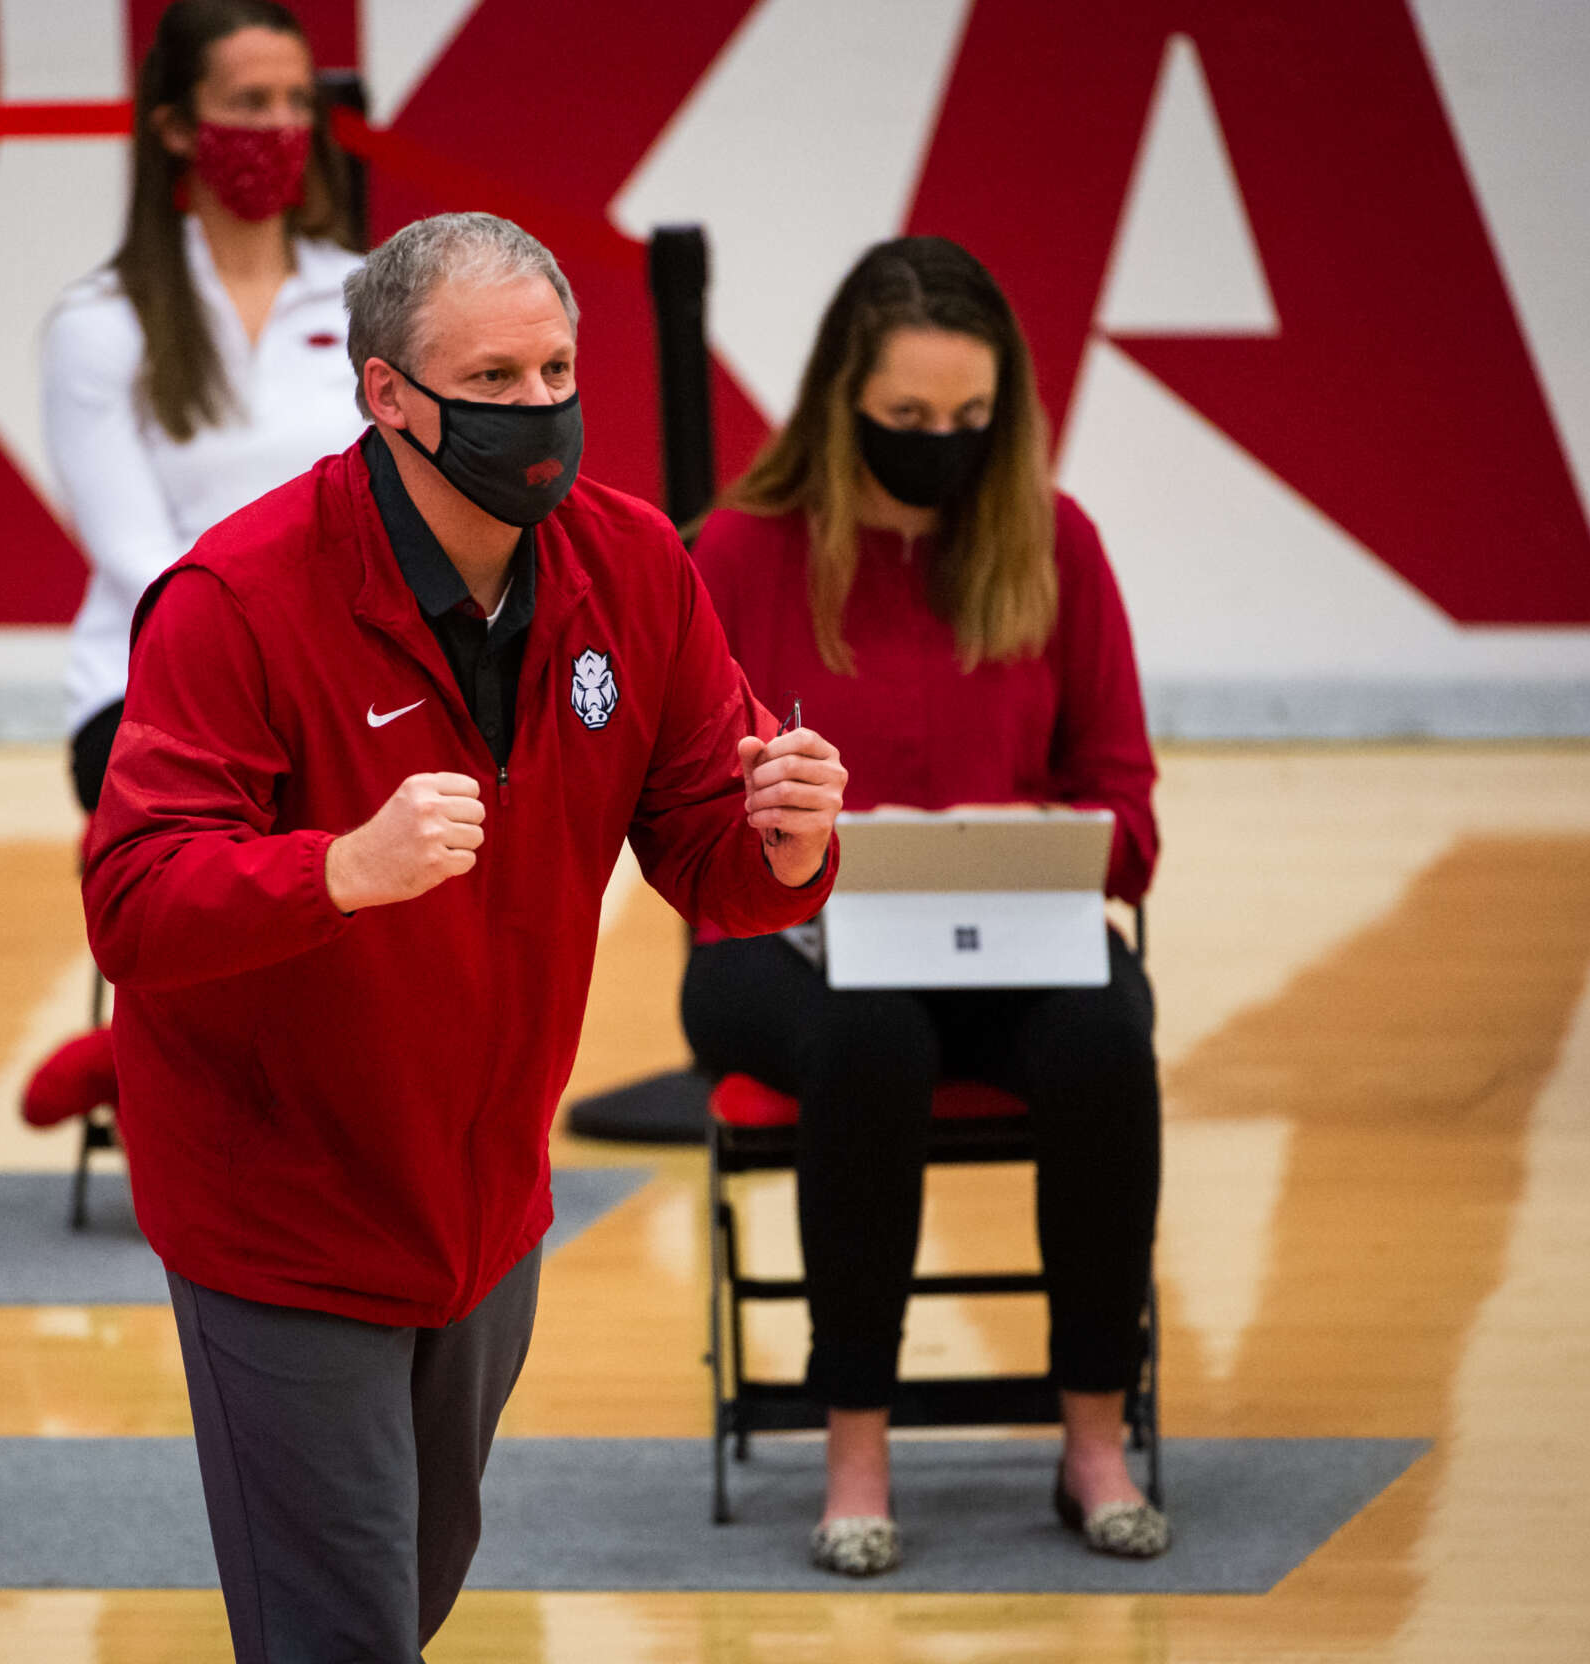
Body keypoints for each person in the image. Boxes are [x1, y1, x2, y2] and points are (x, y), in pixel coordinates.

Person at [84, 212, 849, 1661]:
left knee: (407, 1599)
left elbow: (710, 857)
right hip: (281, 1213)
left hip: (485, 1206)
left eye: (556, 369)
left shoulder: (634, 569)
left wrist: (791, 843)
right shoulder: (236, 601)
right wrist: (337, 873)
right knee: (344, 1635)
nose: (537, 410)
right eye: (491, 380)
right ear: (387, 395)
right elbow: (132, 902)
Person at [683, 236, 1169, 1574]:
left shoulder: (1053, 541)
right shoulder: (738, 551)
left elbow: (1126, 802)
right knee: (872, 1037)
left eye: (969, 420)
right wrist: (786, 845)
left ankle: (1093, 1435)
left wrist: (1053, 841)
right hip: (778, 941)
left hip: (1011, 933)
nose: (940, 445)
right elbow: (677, 808)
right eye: (908, 420)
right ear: (843, 402)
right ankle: (856, 1442)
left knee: (1103, 1041)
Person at [42, 0, 364, 814]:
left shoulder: (375, 298)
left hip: (352, 681)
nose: (282, 126)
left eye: (298, 103)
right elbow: (140, 560)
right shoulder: (101, 321)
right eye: (251, 104)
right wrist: (289, 677)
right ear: (178, 128)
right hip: (152, 689)